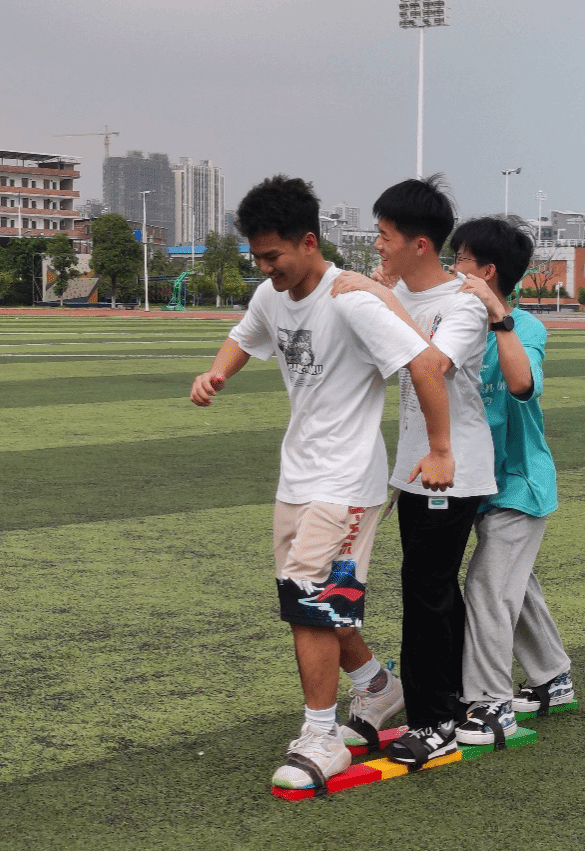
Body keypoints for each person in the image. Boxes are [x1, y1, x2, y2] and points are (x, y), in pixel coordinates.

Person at [190, 175, 454, 791]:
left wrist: (440, 449)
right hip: (298, 476)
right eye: (257, 257)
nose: (264, 268)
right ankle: (377, 687)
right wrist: (217, 374)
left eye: (272, 255)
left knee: (309, 598)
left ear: (309, 241)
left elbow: (423, 363)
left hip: (347, 480)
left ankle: (322, 736)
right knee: (308, 601)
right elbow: (243, 336)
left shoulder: (351, 300)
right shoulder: (271, 294)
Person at [330, 175, 496, 766]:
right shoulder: (403, 293)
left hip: (452, 469)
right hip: (412, 468)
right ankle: (454, 703)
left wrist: (383, 300)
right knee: (430, 588)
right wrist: (378, 296)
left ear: (418, 243)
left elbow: (432, 364)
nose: (377, 245)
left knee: (426, 592)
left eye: (384, 235)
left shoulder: (463, 303)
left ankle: (435, 719)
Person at [444, 216, 574, 746]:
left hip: (520, 482)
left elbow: (521, 385)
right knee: (515, 585)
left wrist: (500, 318)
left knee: (487, 586)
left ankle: (491, 703)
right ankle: (552, 678)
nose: (453, 269)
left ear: (488, 271)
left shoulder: (526, 328)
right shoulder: (453, 323)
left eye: (461, 260)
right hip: (474, 482)